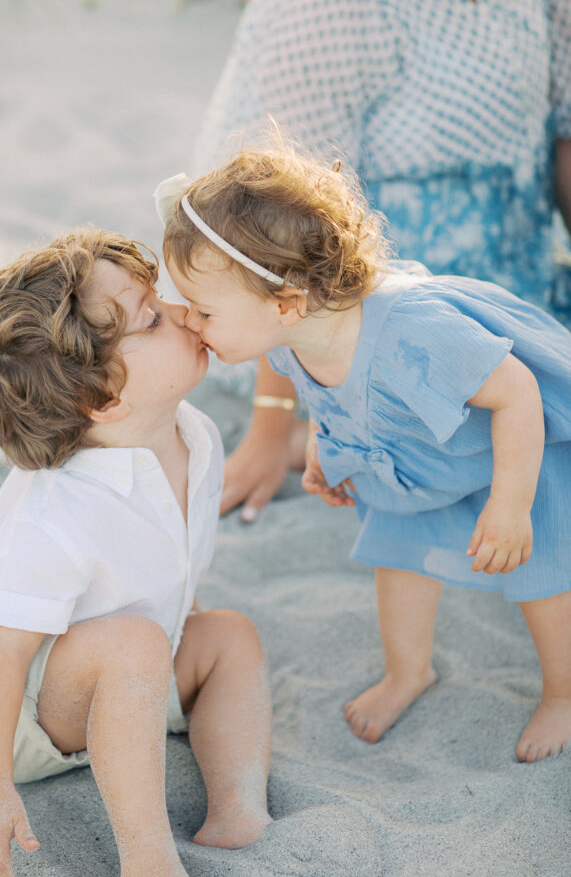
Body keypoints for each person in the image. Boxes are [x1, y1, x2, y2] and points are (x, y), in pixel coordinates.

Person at [155, 144, 571, 763]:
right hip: (420, 463)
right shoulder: (292, 333)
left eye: (205, 309)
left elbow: (518, 393)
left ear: (288, 301)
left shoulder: (414, 330)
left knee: (543, 579)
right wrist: (326, 447)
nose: (189, 321)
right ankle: (409, 673)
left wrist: (510, 506)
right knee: (398, 557)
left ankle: (563, 693)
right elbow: (324, 397)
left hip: (512, 455)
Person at [193, 0, 571, 522]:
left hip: (520, 289)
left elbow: (565, 129)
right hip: (376, 319)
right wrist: (271, 426)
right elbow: (277, 227)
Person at [0, 229, 272, 877]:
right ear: (106, 401)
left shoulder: (192, 435)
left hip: (126, 668)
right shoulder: (57, 514)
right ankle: (147, 859)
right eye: (151, 316)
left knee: (229, 637)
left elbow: (167, 565)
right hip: (26, 712)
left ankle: (237, 807)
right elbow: (2, 655)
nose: (177, 309)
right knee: (134, 643)